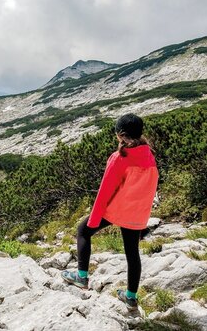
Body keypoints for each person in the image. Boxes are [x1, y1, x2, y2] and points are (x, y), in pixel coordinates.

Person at [61, 113, 158, 311]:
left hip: (117, 208)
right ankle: (131, 297)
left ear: (120, 135)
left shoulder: (119, 158)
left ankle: (81, 276)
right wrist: (143, 218)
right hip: (136, 212)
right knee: (133, 253)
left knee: (83, 230)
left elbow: (105, 191)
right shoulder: (148, 154)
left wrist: (94, 219)